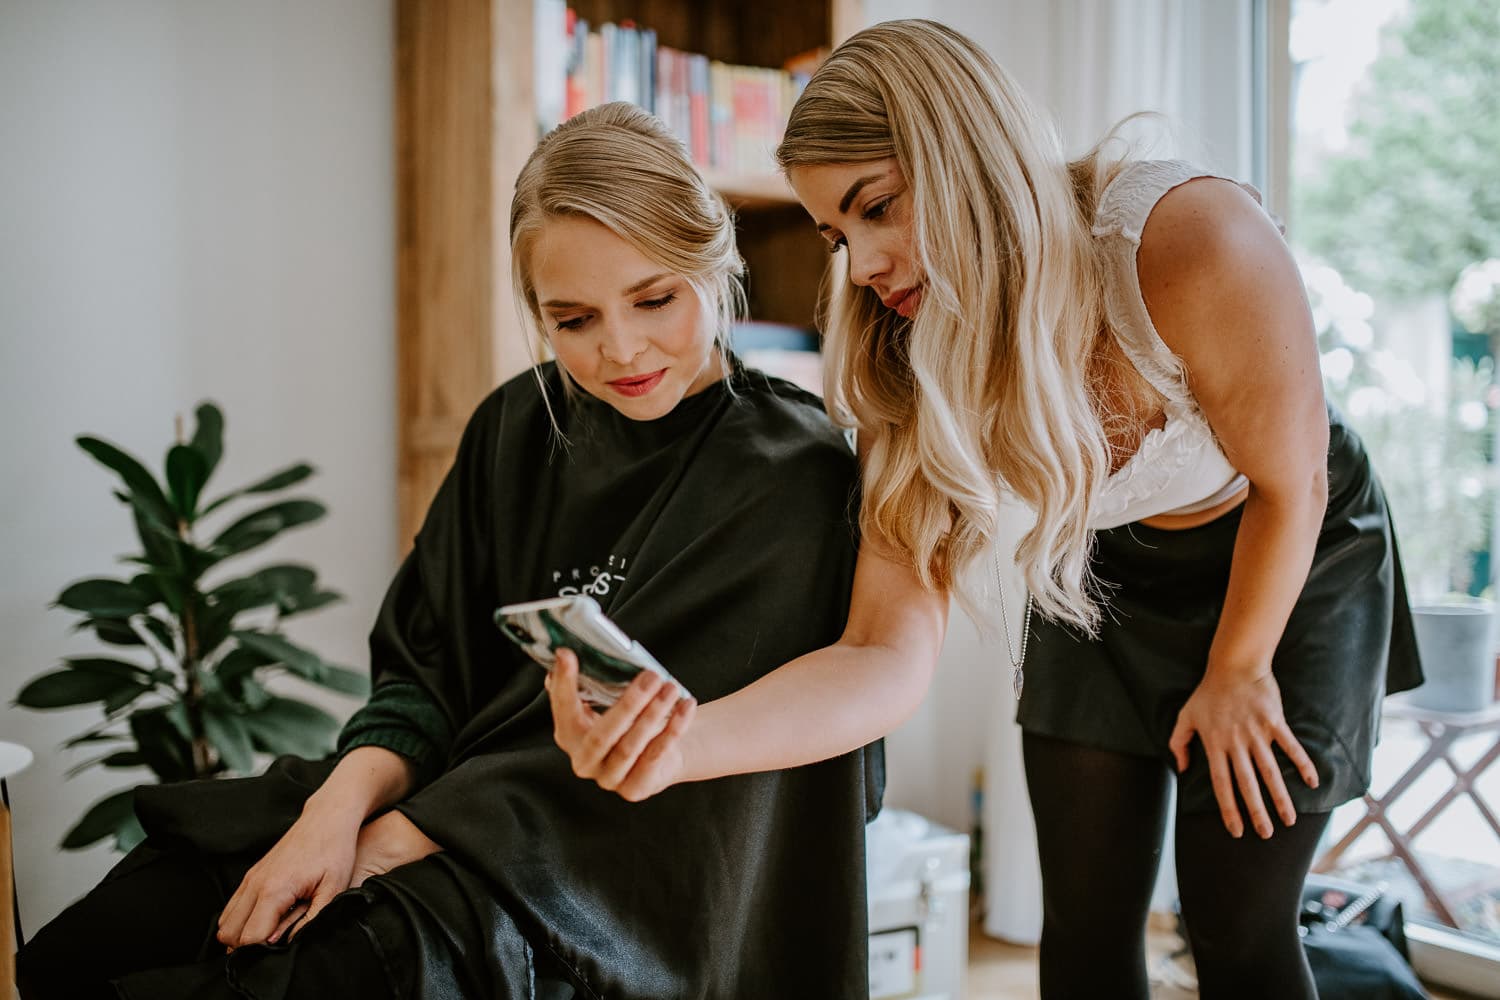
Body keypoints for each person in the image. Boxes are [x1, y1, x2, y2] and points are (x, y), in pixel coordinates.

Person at [547, 20, 1422, 1000]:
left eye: (877, 206)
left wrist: (1238, 667)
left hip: (1288, 550)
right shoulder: (900, 351)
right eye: (839, 235)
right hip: (1099, 566)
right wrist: (688, 742)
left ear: (963, 147)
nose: (866, 263)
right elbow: (883, 645)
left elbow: (1290, 482)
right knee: (1083, 927)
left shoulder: (1185, 240)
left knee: (1237, 929)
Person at [16, 102, 882, 1000]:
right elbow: (422, 676)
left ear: (718, 260)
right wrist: (332, 816)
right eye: (573, 318)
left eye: (654, 298)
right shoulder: (516, 424)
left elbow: (698, 789)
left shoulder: (795, 475)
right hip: (436, 803)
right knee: (77, 953)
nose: (620, 347)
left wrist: (404, 839)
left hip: (595, 877)